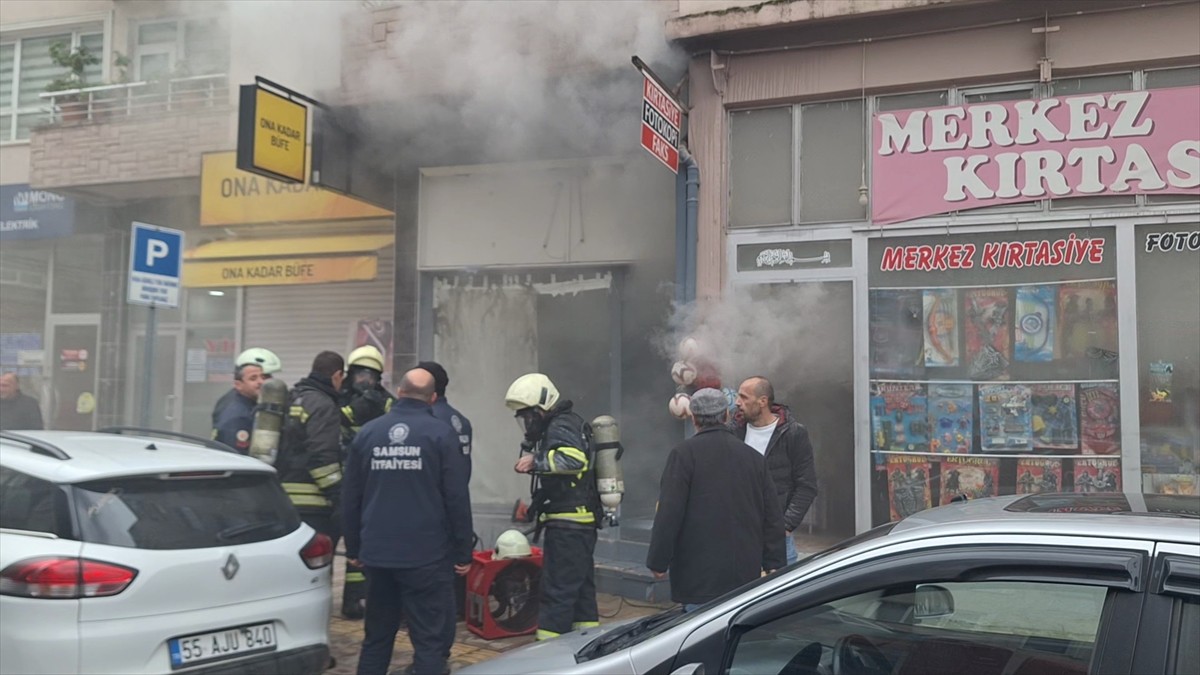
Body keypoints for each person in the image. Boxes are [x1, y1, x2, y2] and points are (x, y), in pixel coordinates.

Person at [343, 368, 473, 675]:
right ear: (433, 398)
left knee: (376, 638)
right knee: (429, 641)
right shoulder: (441, 435)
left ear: (399, 392)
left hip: (377, 555)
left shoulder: (368, 433)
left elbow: (350, 497)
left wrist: (353, 548)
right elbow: (456, 497)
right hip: (425, 557)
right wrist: (463, 550)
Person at [647, 388, 785, 612]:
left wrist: (658, 561)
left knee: (700, 639)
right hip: (744, 575)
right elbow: (772, 515)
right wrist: (774, 563)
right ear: (727, 416)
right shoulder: (753, 458)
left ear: (693, 418)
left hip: (698, 577)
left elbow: (669, 512)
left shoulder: (683, 455)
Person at [505, 372, 600, 641]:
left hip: (569, 525)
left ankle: (547, 655)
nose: (527, 423)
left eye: (528, 416)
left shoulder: (560, 426)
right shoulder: (563, 424)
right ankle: (587, 644)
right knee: (580, 590)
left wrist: (536, 461)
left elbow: (574, 461)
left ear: (542, 408)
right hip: (577, 523)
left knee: (557, 591)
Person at [733, 376, 819, 565]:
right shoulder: (733, 431)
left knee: (782, 594)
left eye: (744, 397)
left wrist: (785, 526)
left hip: (777, 540)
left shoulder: (793, 433)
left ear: (763, 401)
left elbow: (807, 485)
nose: (737, 403)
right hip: (737, 537)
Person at [337, 345, 395, 619]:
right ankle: (350, 601)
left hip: (375, 479)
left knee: (363, 541)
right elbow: (333, 423)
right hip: (343, 475)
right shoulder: (340, 398)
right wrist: (353, 410)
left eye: (370, 376)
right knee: (349, 539)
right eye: (360, 374)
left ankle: (361, 599)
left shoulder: (385, 401)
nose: (365, 381)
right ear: (351, 374)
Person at [278, 351, 346, 549]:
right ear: (337, 375)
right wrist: (338, 495)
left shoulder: (291, 397)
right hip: (313, 505)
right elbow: (322, 458)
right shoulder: (323, 405)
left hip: (282, 500)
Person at [211, 348, 281, 454]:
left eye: (264, 377)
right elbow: (238, 457)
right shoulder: (238, 415)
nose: (261, 382)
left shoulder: (239, 399)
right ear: (238, 385)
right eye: (253, 378)